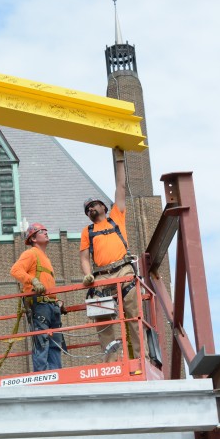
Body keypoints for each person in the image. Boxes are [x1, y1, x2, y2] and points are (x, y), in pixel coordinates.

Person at [80, 147, 140, 363]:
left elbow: (120, 187)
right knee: (101, 316)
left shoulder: (116, 216)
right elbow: (85, 257)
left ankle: (142, 356)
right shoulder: (87, 232)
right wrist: (88, 276)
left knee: (134, 315)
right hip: (102, 276)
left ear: (103, 206)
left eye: (93, 205)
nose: (90, 209)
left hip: (123, 269)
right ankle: (111, 360)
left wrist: (120, 160)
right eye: (87, 209)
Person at [10, 222, 65, 371]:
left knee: (55, 343)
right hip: (40, 306)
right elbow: (15, 270)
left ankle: (55, 374)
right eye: (42, 231)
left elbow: (48, 283)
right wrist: (33, 280)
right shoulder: (31, 253)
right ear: (33, 238)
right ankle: (42, 375)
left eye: (46, 230)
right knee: (42, 342)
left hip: (51, 305)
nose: (46, 233)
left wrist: (56, 299)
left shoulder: (46, 259)